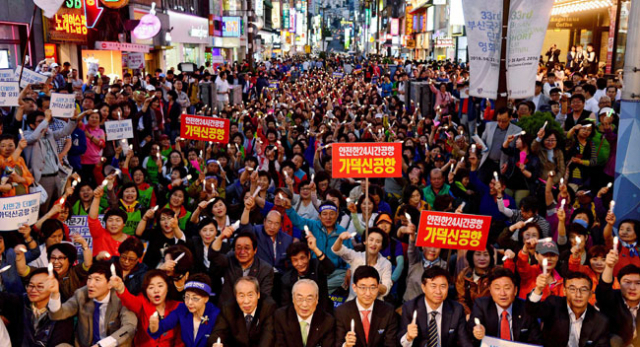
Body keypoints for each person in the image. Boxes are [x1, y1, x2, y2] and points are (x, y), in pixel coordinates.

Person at [46, 261, 138, 347]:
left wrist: (102, 345)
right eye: (89, 278)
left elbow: (129, 327)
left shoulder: (122, 299)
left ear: (110, 284)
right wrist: (54, 293)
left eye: (97, 280)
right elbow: (58, 314)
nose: (90, 284)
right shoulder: (81, 294)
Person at [526, 271, 609, 347]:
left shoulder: (600, 321)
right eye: (572, 289)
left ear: (590, 294)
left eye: (583, 290)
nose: (578, 295)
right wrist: (538, 289)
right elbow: (532, 310)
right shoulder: (554, 304)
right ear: (564, 291)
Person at [398, 266, 472, 347]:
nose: (438, 291)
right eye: (433, 286)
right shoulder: (410, 308)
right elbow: (400, 342)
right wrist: (408, 337)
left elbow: (464, 341)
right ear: (423, 287)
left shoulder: (456, 309)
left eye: (443, 286)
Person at [0, 268, 75, 347]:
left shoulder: (63, 312)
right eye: (31, 285)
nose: (33, 290)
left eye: (40, 286)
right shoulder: (21, 302)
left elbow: (61, 341)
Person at [467, 267, 542, 345]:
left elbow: (535, 341)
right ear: (490, 290)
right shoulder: (482, 305)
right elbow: (471, 329)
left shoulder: (525, 308)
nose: (502, 293)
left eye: (507, 288)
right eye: (497, 288)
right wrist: (477, 332)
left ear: (515, 291)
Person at [111, 269, 184, 347]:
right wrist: (120, 288)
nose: (156, 290)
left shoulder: (178, 307)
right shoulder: (143, 303)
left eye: (160, 286)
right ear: (145, 291)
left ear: (167, 287)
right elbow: (129, 300)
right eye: (151, 287)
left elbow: (180, 340)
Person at [149, 274, 221, 347]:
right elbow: (161, 327)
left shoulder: (215, 314)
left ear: (206, 299)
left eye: (195, 298)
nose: (189, 302)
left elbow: (223, 338)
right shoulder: (182, 309)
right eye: (186, 297)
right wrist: (154, 326)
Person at [335, 266, 399, 347]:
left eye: (372, 287)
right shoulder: (341, 312)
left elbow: (390, 344)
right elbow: (337, 343)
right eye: (363, 287)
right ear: (354, 287)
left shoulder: (388, 312)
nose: (368, 293)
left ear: (378, 287)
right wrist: (346, 345)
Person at [210, 229, 275, 303]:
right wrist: (220, 238)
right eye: (238, 248)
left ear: (255, 250)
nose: (242, 252)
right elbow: (213, 256)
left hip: (252, 309)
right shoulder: (229, 259)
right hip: (227, 309)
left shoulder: (265, 269)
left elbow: (264, 297)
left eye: (247, 248)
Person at [209, 276, 276, 347]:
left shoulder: (268, 307)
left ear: (258, 295)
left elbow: (268, 338)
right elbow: (218, 333)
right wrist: (215, 344)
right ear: (235, 296)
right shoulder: (228, 308)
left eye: (250, 295)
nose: (246, 301)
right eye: (241, 296)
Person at [596, 249, 640, 346]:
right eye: (627, 282)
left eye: (638, 283)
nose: (632, 288)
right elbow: (604, 288)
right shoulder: (612, 299)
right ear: (619, 284)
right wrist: (609, 266)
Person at [274, 279, 336, 347]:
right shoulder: (281, 317)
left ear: (317, 299)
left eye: (309, 299)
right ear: (293, 299)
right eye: (300, 298)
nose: (304, 304)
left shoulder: (327, 321)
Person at [280, 238, 336, 313]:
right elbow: (286, 305)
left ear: (309, 256)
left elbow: (330, 268)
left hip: (322, 313)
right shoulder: (287, 279)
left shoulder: (317, 266)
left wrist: (315, 249)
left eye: (302, 258)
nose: (300, 263)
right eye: (295, 260)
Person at [478, 107, 523, 183]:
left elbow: (516, 151)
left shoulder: (517, 130)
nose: (501, 123)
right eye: (498, 120)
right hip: (487, 161)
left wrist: (508, 163)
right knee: (480, 184)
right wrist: (479, 145)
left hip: (502, 164)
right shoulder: (489, 126)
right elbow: (483, 140)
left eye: (504, 121)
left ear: (510, 118)